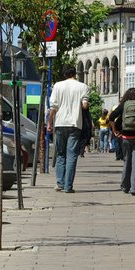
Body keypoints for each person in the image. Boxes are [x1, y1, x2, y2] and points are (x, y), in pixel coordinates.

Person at [46, 65, 89, 193]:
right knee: (72, 155)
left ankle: (60, 183)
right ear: (74, 74)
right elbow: (85, 106)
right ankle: (68, 186)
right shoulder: (83, 87)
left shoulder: (57, 86)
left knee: (61, 154)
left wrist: (49, 123)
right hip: (75, 124)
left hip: (60, 123)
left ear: (64, 74)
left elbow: (53, 107)